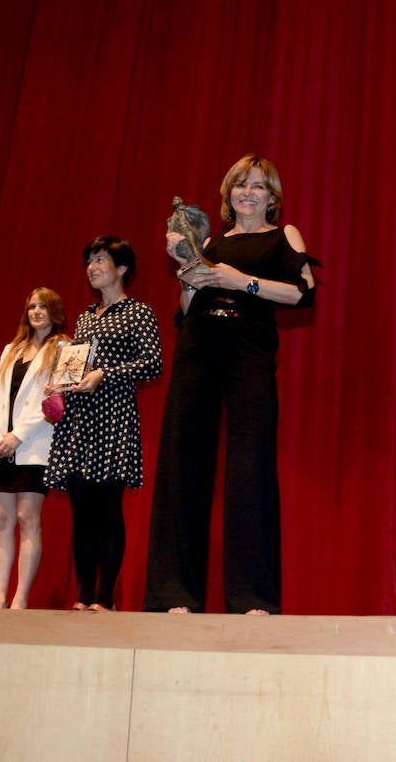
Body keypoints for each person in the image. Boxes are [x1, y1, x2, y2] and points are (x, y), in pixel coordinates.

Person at [144, 156, 317, 615]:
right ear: (228, 194)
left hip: (248, 351)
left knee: (249, 468)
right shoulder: (211, 242)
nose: (248, 193)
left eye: (259, 186)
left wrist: (241, 282)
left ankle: (252, 598)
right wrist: (187, 268)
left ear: (272, 197)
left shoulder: (284, 235)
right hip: (198, 347)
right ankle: (173, 595)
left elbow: (303, 292)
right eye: (241, 185)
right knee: (182, 465)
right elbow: (186, 307)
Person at [45, 237, 162, 611]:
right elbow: (76, 364)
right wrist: (59, 380)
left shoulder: (139, 312)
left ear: (122, 268)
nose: (92, 268)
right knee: (82, 511)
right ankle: (82, 595)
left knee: (108, 507)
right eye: (89, 262)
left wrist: (105, 374)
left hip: (113, 417)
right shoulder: (84, 316)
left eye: (99, 260)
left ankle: (104, 597)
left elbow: (153, 363)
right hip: (79, 421)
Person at [0, 288, 70, 609]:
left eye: (43, 306)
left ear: (55, 311)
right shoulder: (10, 350)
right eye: (31, 306)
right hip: (1, 445)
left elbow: (55, 402)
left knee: (27, 517)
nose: (36, 311)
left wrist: (17, 436)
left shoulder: (63, 348)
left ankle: (20, 599)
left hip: (34, 445)